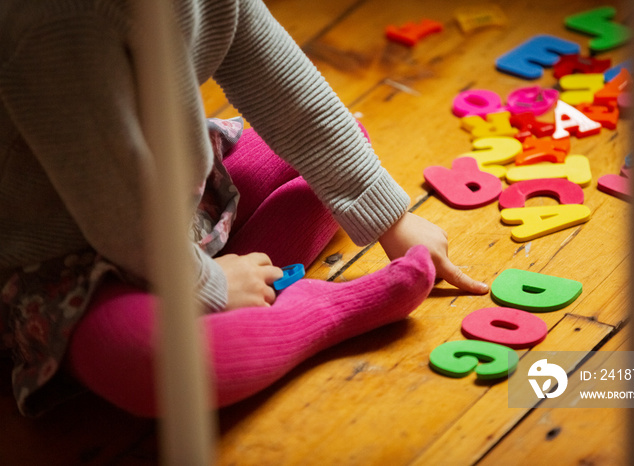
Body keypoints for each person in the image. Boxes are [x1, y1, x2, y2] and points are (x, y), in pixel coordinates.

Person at [0, 0, 488, 418]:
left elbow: (275, 74)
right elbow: (115, 208)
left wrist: (390, 217)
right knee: (157, 366)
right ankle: (314, 310)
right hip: (69, 255)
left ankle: (242, 289)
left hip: (177, 193)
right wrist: (205, 285)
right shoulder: (59, 23)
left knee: (340, 149)